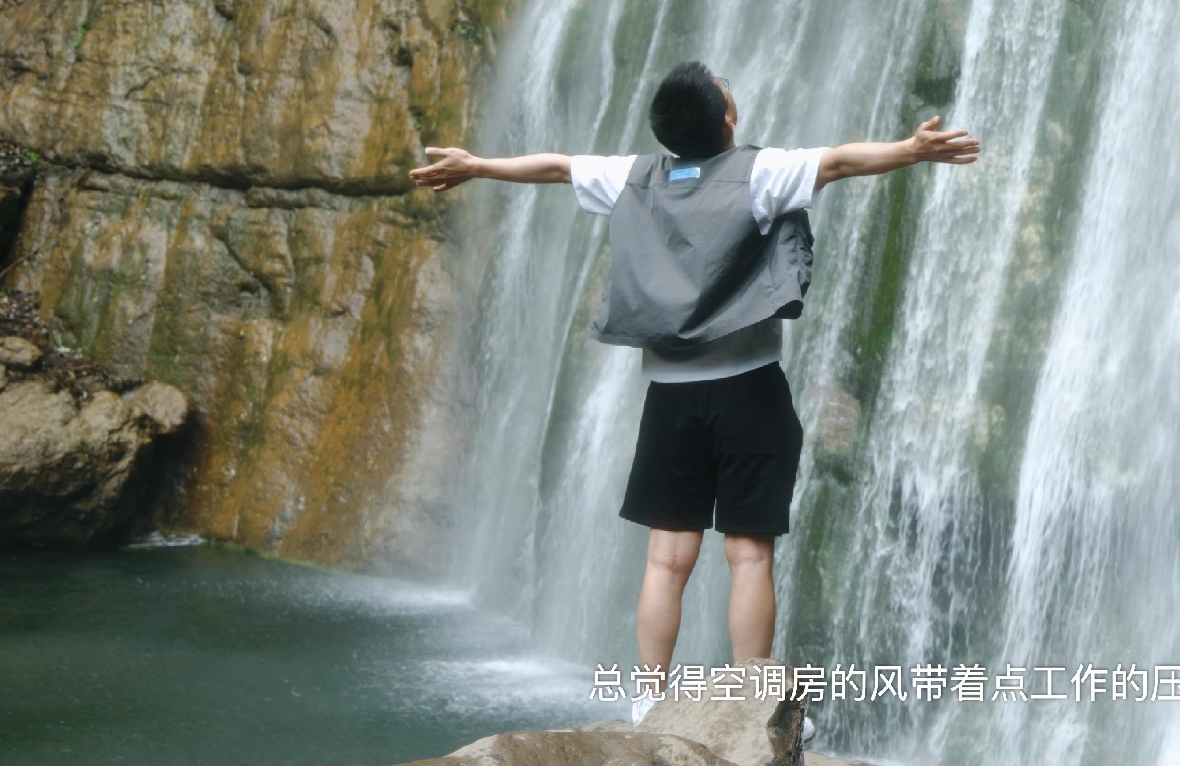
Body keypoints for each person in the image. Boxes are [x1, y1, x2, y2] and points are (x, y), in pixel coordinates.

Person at [408, 60, 979, 736]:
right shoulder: (760, 174)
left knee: (666, 558)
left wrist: (478, 165)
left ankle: (648, 699)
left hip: (669, 399)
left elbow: (557, 167)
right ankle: (750, 704)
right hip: (749, 391)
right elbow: (843, 163)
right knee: (749, 554)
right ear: (728, 123)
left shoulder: (637, 177)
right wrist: (912, 151)